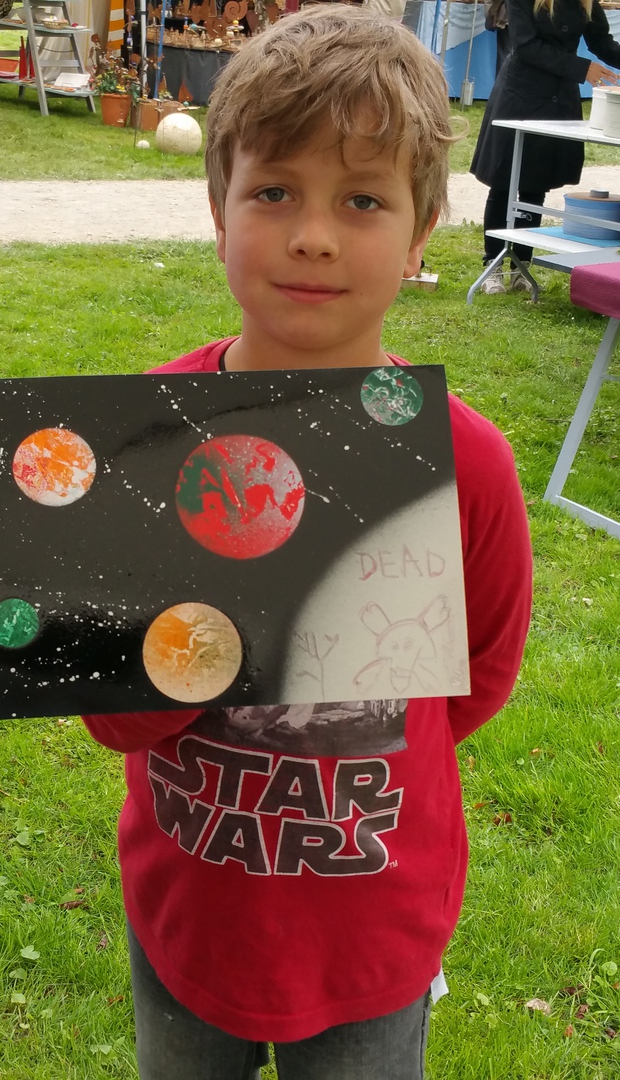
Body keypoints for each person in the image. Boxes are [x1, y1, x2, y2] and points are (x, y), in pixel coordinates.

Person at [79, 9, 534, 1076]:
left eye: (363, 200)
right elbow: (112, 712)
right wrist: (227, 623)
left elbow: (473, 680)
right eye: (274, 191)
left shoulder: (466, 464)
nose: (314, 235)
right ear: (218, 209)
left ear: (421, 233)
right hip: (191, 911)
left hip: (375, 920)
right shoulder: (146, 439)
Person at [469, 0, 620, 293]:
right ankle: (493, 264)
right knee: (504, 182)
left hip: (558, 97)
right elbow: (526, 45)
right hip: (520, 93)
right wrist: (581, 68)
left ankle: (522, 265)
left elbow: (600, 40)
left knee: (535, 184)